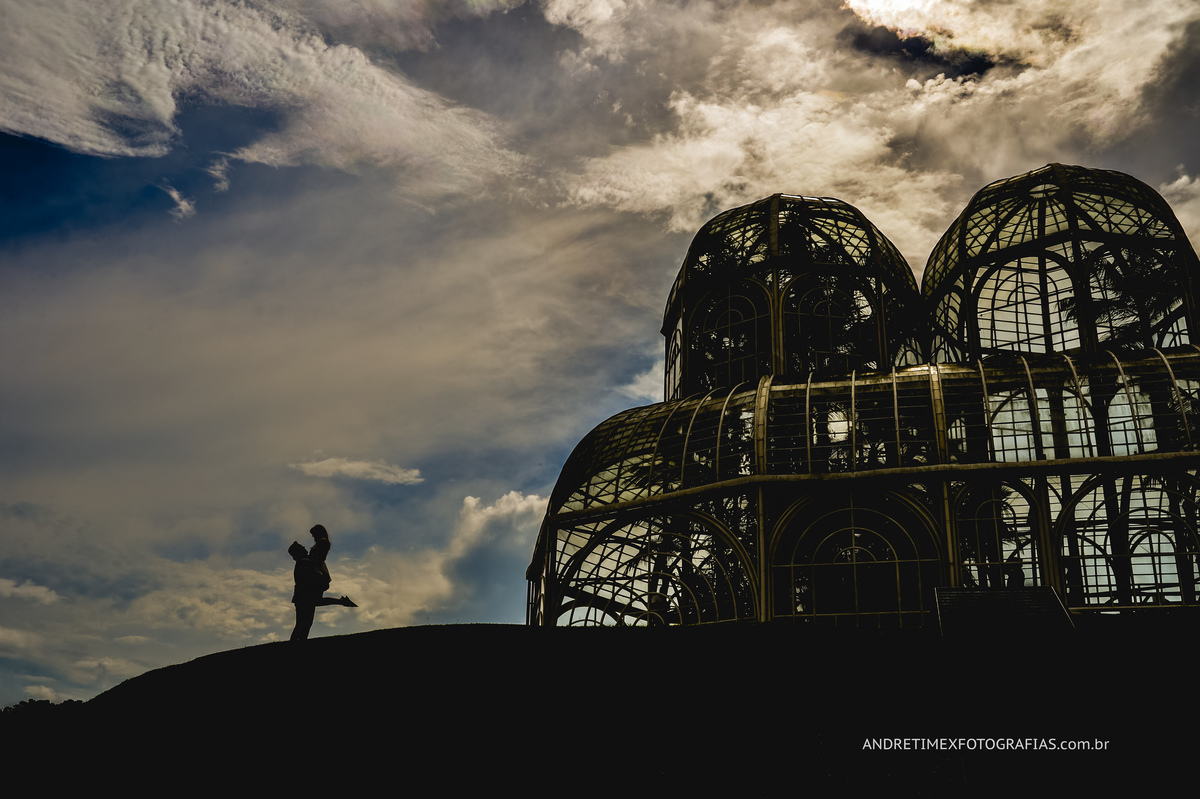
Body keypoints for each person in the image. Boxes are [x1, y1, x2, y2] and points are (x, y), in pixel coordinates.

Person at [289, 525, 357, 642]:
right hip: (304, 594)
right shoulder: (304, 562)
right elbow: (308, 575)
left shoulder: (307, 560)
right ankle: (341, 601)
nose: (305, 546)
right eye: (301, 547)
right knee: (303, 624)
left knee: (304, 624)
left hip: (304, 593)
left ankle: (341, 602)